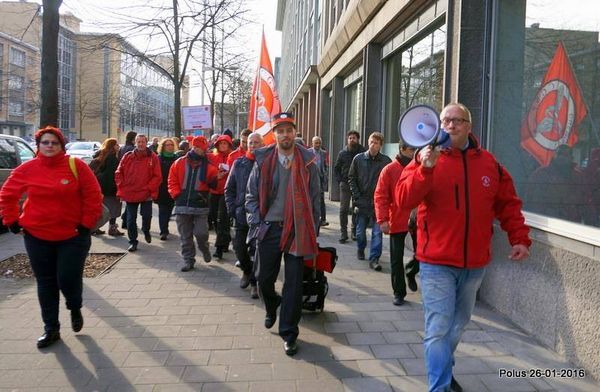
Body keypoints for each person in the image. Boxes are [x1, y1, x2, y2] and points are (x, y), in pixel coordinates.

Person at [396, 103, 531, 392]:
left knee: (457, 326)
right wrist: (424, 170)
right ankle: (439, 386)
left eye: (458, 120)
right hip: (436, 263)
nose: (451, 125)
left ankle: (444, 366)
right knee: (438, 329)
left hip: (474, 264)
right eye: (445, 120)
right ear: (438, 125)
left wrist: (518, 238)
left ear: (469, 126)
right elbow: (404, 199)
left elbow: (507, 203)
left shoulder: (490, 164)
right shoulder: (424, 158)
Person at [0, 126, 103, 348]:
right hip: (37, 236)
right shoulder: (27, 169)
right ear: (38, 146)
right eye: (45, 142)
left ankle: (74, 306)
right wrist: (11, 220)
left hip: (73, 235)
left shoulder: (76, 167)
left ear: (61, 146)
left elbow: (93, 195)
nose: (49, 146)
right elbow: (8, 193)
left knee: (66, 278)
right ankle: (51, 329)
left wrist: (86, 224)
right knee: (46, 283)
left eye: (54, 143)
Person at [246, 112, 321, 356]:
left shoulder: (308, 161)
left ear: (295, 133)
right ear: (275, 134)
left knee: (294, 285)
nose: (285, 134)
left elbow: (315, 199)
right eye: (281, 130)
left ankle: (289, 332)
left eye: (289, 130)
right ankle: (271, 305)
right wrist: (256, 224)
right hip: (269, 228)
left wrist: (314, 230)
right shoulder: (263, 160)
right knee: (263, 278)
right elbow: (251, 197)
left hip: (297, 229)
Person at [374, 143, 417, 306]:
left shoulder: (419, 167)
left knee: (421, 254)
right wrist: (383, 219)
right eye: (412, 150)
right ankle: (399, 292)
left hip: (417, 218)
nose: (414, 153)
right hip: (397, 218)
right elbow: (381, 196)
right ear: (402, 150)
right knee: (396, 258)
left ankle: (411, 271)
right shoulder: (390, 170)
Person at [168, 136, 219, 271]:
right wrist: (176, 194)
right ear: (195, 148)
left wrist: (218, 178)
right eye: (202, 149)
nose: (204, 151)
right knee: (185, 236)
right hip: (182, 204)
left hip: (200, 205)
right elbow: (171, 180)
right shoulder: (179, 162)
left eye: (205, 149)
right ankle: (188, 260)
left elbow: (213, 185)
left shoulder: (209, 166)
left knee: (201, 233)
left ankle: (204, 248)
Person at [225, 132, 264, 299]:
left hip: (260, 216)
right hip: (240, 214)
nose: (253, 145)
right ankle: (247, 271)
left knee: (257, 252)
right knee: (239, 249)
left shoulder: (266, 164)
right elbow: (229, 188)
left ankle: (255, 282)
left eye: (256, 142)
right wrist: (232, 209)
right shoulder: (238, 163)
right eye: (250, 142)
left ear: (262, 145)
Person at [348, 132, 391, 271]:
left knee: (377, 233)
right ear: (368, 142)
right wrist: (356, 197)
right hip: (362, 202)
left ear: (381, 146)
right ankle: (361, 248)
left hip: (379, 203)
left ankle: (374, 259)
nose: (373, 145)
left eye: (376, 143)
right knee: (360, 233)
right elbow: (352, 178)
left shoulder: (386, 161)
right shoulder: (358, 159)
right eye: (371, 142)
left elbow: (390, 182)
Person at [115, 134, 162, 252]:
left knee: (147, 216)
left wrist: (149, 188)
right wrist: (122, 185)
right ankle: (133, 241)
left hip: (146, 193)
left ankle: (146, 230)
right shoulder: (127, 156)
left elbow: (157, 176)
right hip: (130, 192)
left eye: (143, 142)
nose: (141, 144)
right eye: (138, 142)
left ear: (146, 143)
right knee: (131, 220)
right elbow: (119, 172)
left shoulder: (153, 157)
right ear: (135, 142)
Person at [334, 130, 365, 243]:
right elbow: (336, 168)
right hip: (345, 184)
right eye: (350, 138)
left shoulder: (362, 152)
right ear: (347, 140)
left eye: (354, 138)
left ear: (358, 139)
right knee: (343, 209)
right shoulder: (343, 153)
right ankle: (343, 232)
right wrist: (340, 181)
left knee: (356, 208)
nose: (352, 140)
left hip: (358, 185)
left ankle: (354, 231)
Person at [89, 138, 124, 237]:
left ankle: (95, 227)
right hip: (109, 188)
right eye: (117, 145)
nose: (118, 146)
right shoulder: (112, 158)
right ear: (112, 146)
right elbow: (111, 175)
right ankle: (112, 228)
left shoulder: (100, 155)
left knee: (100, 208)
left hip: (99, 187)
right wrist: (116, 189)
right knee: (113, 208)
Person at [208, 134, 234, 259]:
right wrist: (216, 176)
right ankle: (225, 239)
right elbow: (207, 175)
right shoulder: (211, 157)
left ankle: (218, 248)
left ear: (229, 145)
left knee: (221, 219)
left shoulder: (233, 157)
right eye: (221, 143)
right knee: (215, 219)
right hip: (213, 192)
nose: (223, 146)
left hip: (226, 192)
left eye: (225, 143)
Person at [155, 138, 178, 240]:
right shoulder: (158, 158)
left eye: (171, 145)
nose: (170, 147)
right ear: (163, 147)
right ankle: (163, 231)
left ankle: (165, 227)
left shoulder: (176, 158)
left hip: (173, 188)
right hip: (162, 188)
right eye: (167, 145)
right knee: (163, 210)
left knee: (169, 209)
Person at [308, 136, 330, 227]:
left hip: (320, 178)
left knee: (321, 199)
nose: (317, 145)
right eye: (316, 143)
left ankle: (323, 219)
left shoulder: (324, 153)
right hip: (310, 178)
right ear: (312, 143)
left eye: (319, 143)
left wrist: (325, 173)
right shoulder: (308, 152)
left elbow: (326, 164)